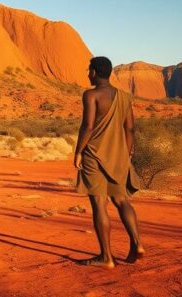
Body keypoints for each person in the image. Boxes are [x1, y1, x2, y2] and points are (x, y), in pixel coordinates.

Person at [72, 56, 145, 268]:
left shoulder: (91, 94)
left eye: (89, 70)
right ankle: (138, 243)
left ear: (94, 72)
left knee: (99, 204)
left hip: (94, 155)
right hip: (118, 155)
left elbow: (88, 126)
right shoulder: (124, 97)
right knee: (122, 200)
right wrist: (127, 153)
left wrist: (78, 152)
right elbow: (130, 129)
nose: (87, 74)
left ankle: (106, 257)